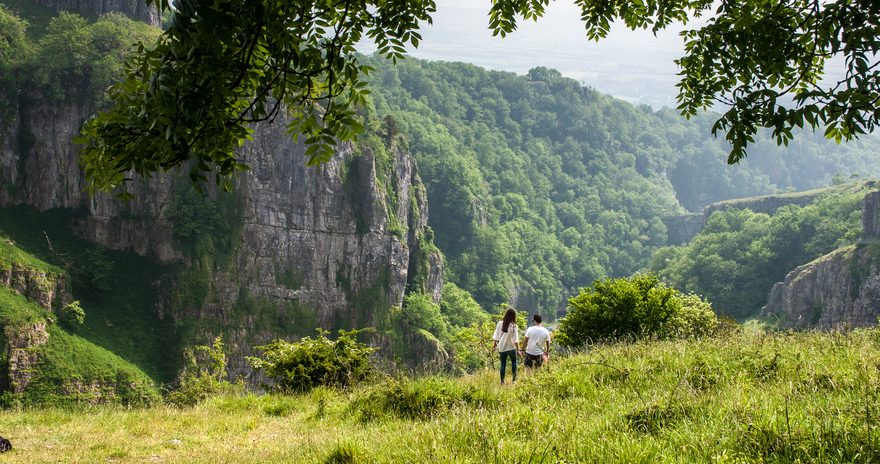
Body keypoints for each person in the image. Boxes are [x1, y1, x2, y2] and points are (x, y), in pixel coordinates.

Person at [492, 308, 520, 384]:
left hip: (502, 347)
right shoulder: (514, 326)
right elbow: (516, 340)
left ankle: (502, 382)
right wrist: (518, 350)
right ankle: (514, 380)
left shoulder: (500, 323)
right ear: (513, 316)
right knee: (514, 363)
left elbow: (496, 335)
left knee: (503, 364)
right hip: (511, 348)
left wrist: (494, 345)